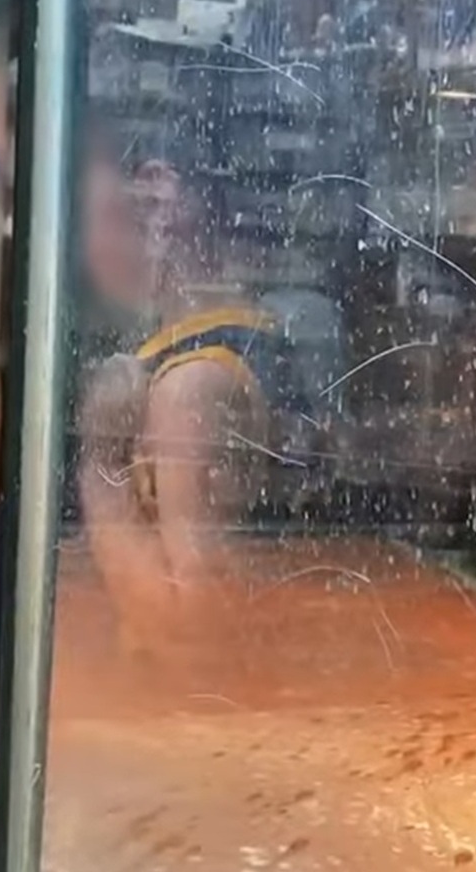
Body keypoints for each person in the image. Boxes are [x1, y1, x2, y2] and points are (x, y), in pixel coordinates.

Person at [76, 127, 328, 659]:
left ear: (160, 201)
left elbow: (191, 626)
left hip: (188, 712)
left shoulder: (193, 385)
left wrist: (101, 465)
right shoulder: (198, 351)